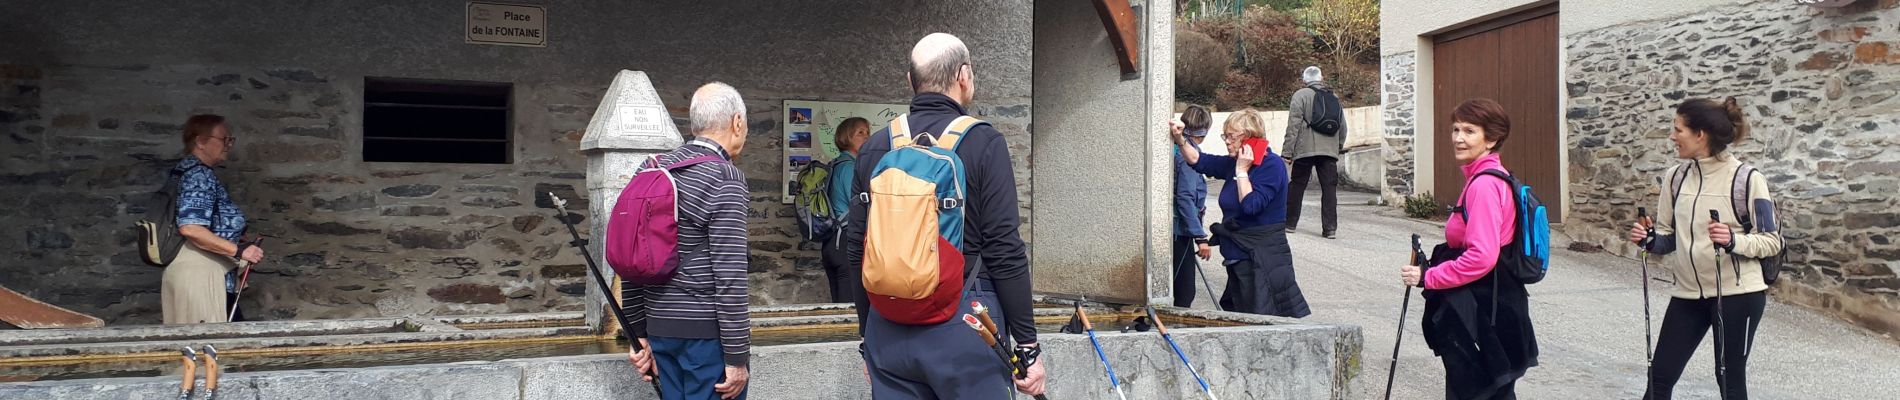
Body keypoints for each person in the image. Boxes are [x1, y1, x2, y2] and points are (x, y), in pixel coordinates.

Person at [843, 32, 1045, 399]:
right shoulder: (985, 142)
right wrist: (1028, 345)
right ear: (964, 75)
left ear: (911, 81)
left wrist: (866, 337)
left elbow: (858, 248)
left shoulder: (875, 146)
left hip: (887, 329)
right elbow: (1004, 248)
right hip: (966, 324)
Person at [1626, 97, 1780, 400]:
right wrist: (1649, 239)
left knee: (1729, 382)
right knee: (1659, 378)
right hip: (1688, 294)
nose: (1672, 136)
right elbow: (1668, 238)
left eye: (1678, 130)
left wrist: (1733, 240)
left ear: (1701, 135)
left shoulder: (1747, 179)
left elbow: (1771, 241)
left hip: (1738, 295)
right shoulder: (1676, 177)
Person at [1400, 98, 1538, 399]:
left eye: (1470, 131)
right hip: (1494, 304)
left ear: (1492, 139)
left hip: (1483, 311)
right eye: (1456, 129)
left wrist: (1429, 277)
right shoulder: (1485, 178)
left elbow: (1482, 256)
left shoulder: (1484, 186)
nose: (1458, 138)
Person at [625, 82, 752, 400]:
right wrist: (737, 359)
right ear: (737, 122)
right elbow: (729, 276)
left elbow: (630, 258)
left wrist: (638, 334)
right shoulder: (725, 178)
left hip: (659, 330)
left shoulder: (650, 169)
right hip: (705, 340)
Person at [1172, 108, 1310, 318]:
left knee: (1260, 317)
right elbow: (1199, 160)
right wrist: (1180, 138)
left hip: (1262, 258)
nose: (1226, 141)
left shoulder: (1271, 166)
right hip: (1239, 256)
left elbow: (1251, 205)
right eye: (1225, 136)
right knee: (1238, 313)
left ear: (1250, 139)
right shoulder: (1233, 161)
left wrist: (1242, 171)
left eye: (1231, 136)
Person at [164, 114, 262, 325]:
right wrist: (238, 251)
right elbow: (191, 228)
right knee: (211, 347)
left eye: (230, 140)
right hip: (201, 275)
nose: (228, 145)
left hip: (201, 273)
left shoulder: (187, 171)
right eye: (223, 139)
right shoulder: (198, 175)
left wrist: (234, 234)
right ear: (200, 141)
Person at [1282, 66, 1348, 239]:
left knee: (1297, 185)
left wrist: (1287, 152)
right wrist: (1338, 146)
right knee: (1329, 189)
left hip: (1305, 149)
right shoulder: (1333, 97)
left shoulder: (1300, 95)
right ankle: (1330, 229)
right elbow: (1342, 126)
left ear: (1304, 80)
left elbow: (1293, 126)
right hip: (1329, 151)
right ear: (1321, 78)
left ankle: (1289, 224)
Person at [820, 117, 870, 304]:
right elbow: (859, 206)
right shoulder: (849, 168)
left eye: (867, 132)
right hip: (846, 243)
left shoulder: (835, 165)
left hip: (833, 243)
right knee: (849, 309)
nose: (866, 136)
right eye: (860, 132)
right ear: (846, 137)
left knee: (839, 305)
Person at [1170, 105, 1214, 308]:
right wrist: (1200, 237)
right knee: (1185, 292)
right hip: (1181, 231)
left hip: (1178, 228)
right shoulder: (1187, 157)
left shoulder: (1175, 147)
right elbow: (1185, 199)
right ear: (1204, 131)